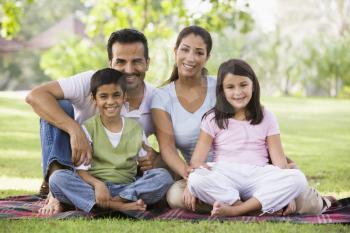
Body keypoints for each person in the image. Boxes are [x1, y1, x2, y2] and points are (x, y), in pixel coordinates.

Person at [26, 28, 166, 214]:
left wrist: (155, 159)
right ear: (110, 62)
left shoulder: (157, 100)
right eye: (121, 62)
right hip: (85, 174)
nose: (129, 70)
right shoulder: (91, 82)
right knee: (58, 106)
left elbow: (168, 153)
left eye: (137, 61)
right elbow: (36, 96)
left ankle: (111, 202)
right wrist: (75, 129)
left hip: (125, 177)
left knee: (162, 177)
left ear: (147, 63)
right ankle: (56, 193)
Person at [187, 59, 332, 217]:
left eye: (243, 85)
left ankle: (236, 210)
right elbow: (197, 161)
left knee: (297, 178)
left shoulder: (267, 117)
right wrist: (194, 180)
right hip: (225, 173)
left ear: (253, 85)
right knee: (196, 180)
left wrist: (286, 195)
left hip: (259, 174)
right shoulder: (212, 118)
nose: (238, 92)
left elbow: (279, 162)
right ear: (222, 90)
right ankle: (249, 207)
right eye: (230, 87)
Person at [48, 68, 173, 213]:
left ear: (124, 97)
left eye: (116, 95)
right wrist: (98, 185)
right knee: (58, 178)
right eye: (103, 96)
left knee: (162, 176)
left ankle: (113, 202)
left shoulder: (136, 129)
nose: (110, 101)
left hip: (127, 189)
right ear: (94, 99)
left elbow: (146, 169)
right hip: (95, 189)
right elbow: (81, 171)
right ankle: (118, 207)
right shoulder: (88, 128)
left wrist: (148, 170)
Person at [151, 25, 216, 211]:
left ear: (207, 57)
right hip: (197, 173)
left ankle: (241, 201)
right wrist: (190, 176)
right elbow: (167, 147)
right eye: (185, 50)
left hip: (233, 165)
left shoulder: (220, 87)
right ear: (175, 51)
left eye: (199, 52)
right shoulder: (161, 97)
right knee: (175, 197)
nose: (191, 58)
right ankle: (250, 202)